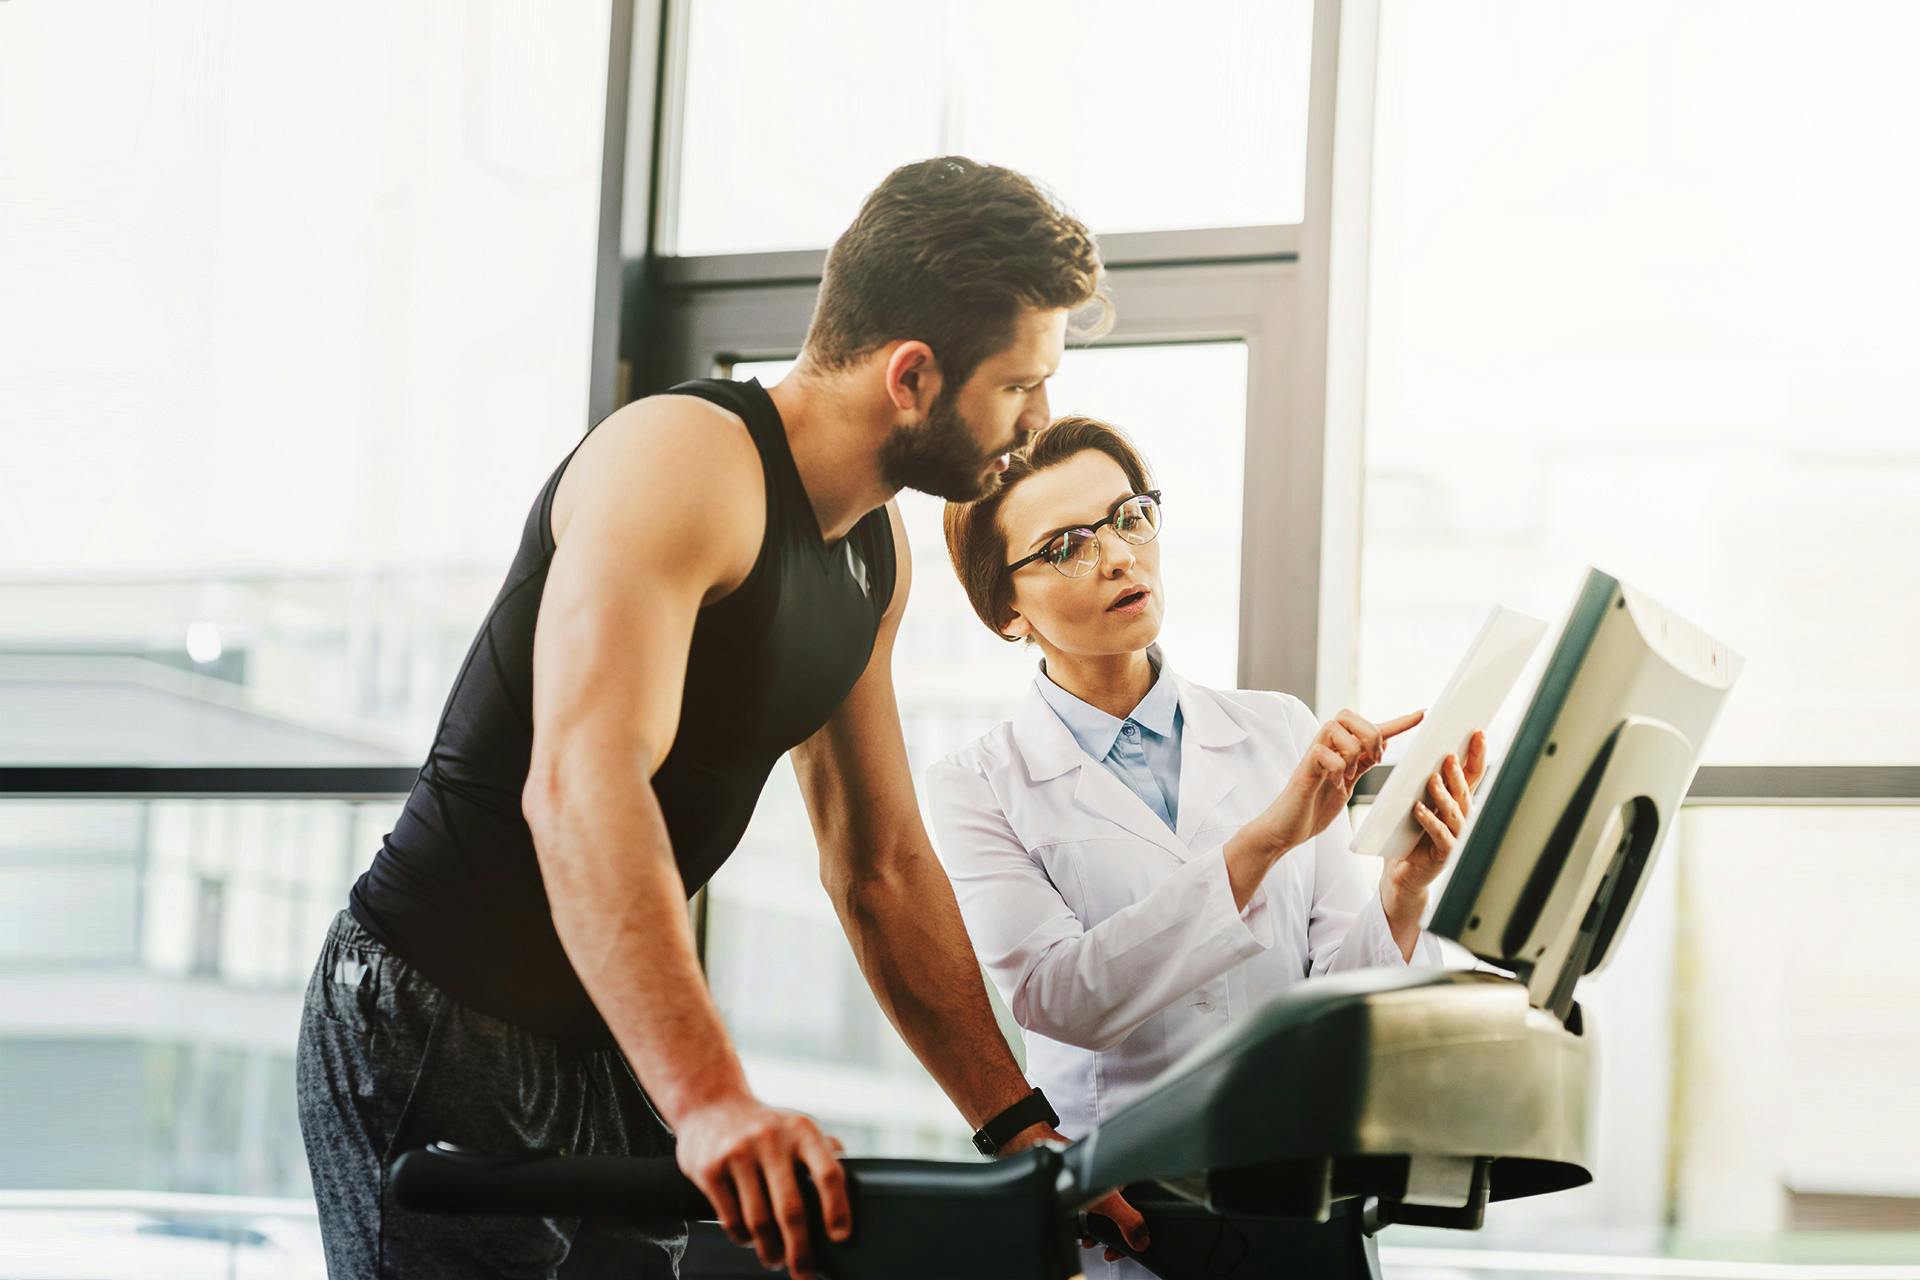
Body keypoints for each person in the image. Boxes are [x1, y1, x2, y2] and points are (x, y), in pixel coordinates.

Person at [295, 158, 1150, 1280]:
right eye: (1019, 386)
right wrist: (709, 1100)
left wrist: (1023, 1127)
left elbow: (880, 864)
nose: (1036, 426)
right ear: (913, 375)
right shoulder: (685, 459)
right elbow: (582, 778)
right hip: (440, 1006)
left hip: (611, 1027)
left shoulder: (872, 556)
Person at [927, 415, 1485, 1279]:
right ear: (1006, 606)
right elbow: (1060, 995)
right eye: (1069, 545)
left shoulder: (1276, 728)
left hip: (1302, 1199)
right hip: (1134, 1220)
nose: (1117, 555)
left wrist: (1404, 892)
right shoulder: (979, 783)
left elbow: (1333, 993)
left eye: (1128, 518)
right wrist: (1262, 841)